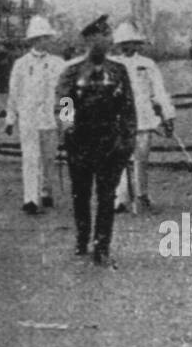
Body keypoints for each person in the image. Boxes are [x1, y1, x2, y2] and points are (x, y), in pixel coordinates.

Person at [56, 15, 136, 265]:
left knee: (106, 195)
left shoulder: (118, 71)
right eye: (102, 37)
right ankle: (82, 237)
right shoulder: (72, 71)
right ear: (89, 41)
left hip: (109, 142)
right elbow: (64, 102)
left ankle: (102, 243)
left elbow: (128, 107)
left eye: (108, 37)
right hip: (80, 141)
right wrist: (67, 129)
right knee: (81, 194)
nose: (107, 42)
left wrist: (128, 139)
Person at [112, 21, 175, 214]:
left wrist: (168, 114)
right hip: (119, 119)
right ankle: (120, 198)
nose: (126, 46)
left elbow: (159, 91)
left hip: (143, 118)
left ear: (136, 43)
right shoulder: (111, 65)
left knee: (141, 158)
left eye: (129, 42)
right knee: (119, 159)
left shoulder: (147, 65)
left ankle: (141, 195)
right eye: (122, 42)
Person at [5, 15, 65, 215]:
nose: (43, 41)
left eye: (46, 37)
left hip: (50, 119)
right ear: (32, 40)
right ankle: (30, 198)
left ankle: (45, 191)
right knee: (30, 158)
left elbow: (66, 93)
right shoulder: (21, 64)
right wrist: (10, 118)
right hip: (29, 118)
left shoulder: (58, 63)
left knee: (49, 158)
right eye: (39, 38)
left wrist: (67, 119)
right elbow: (14, 92)